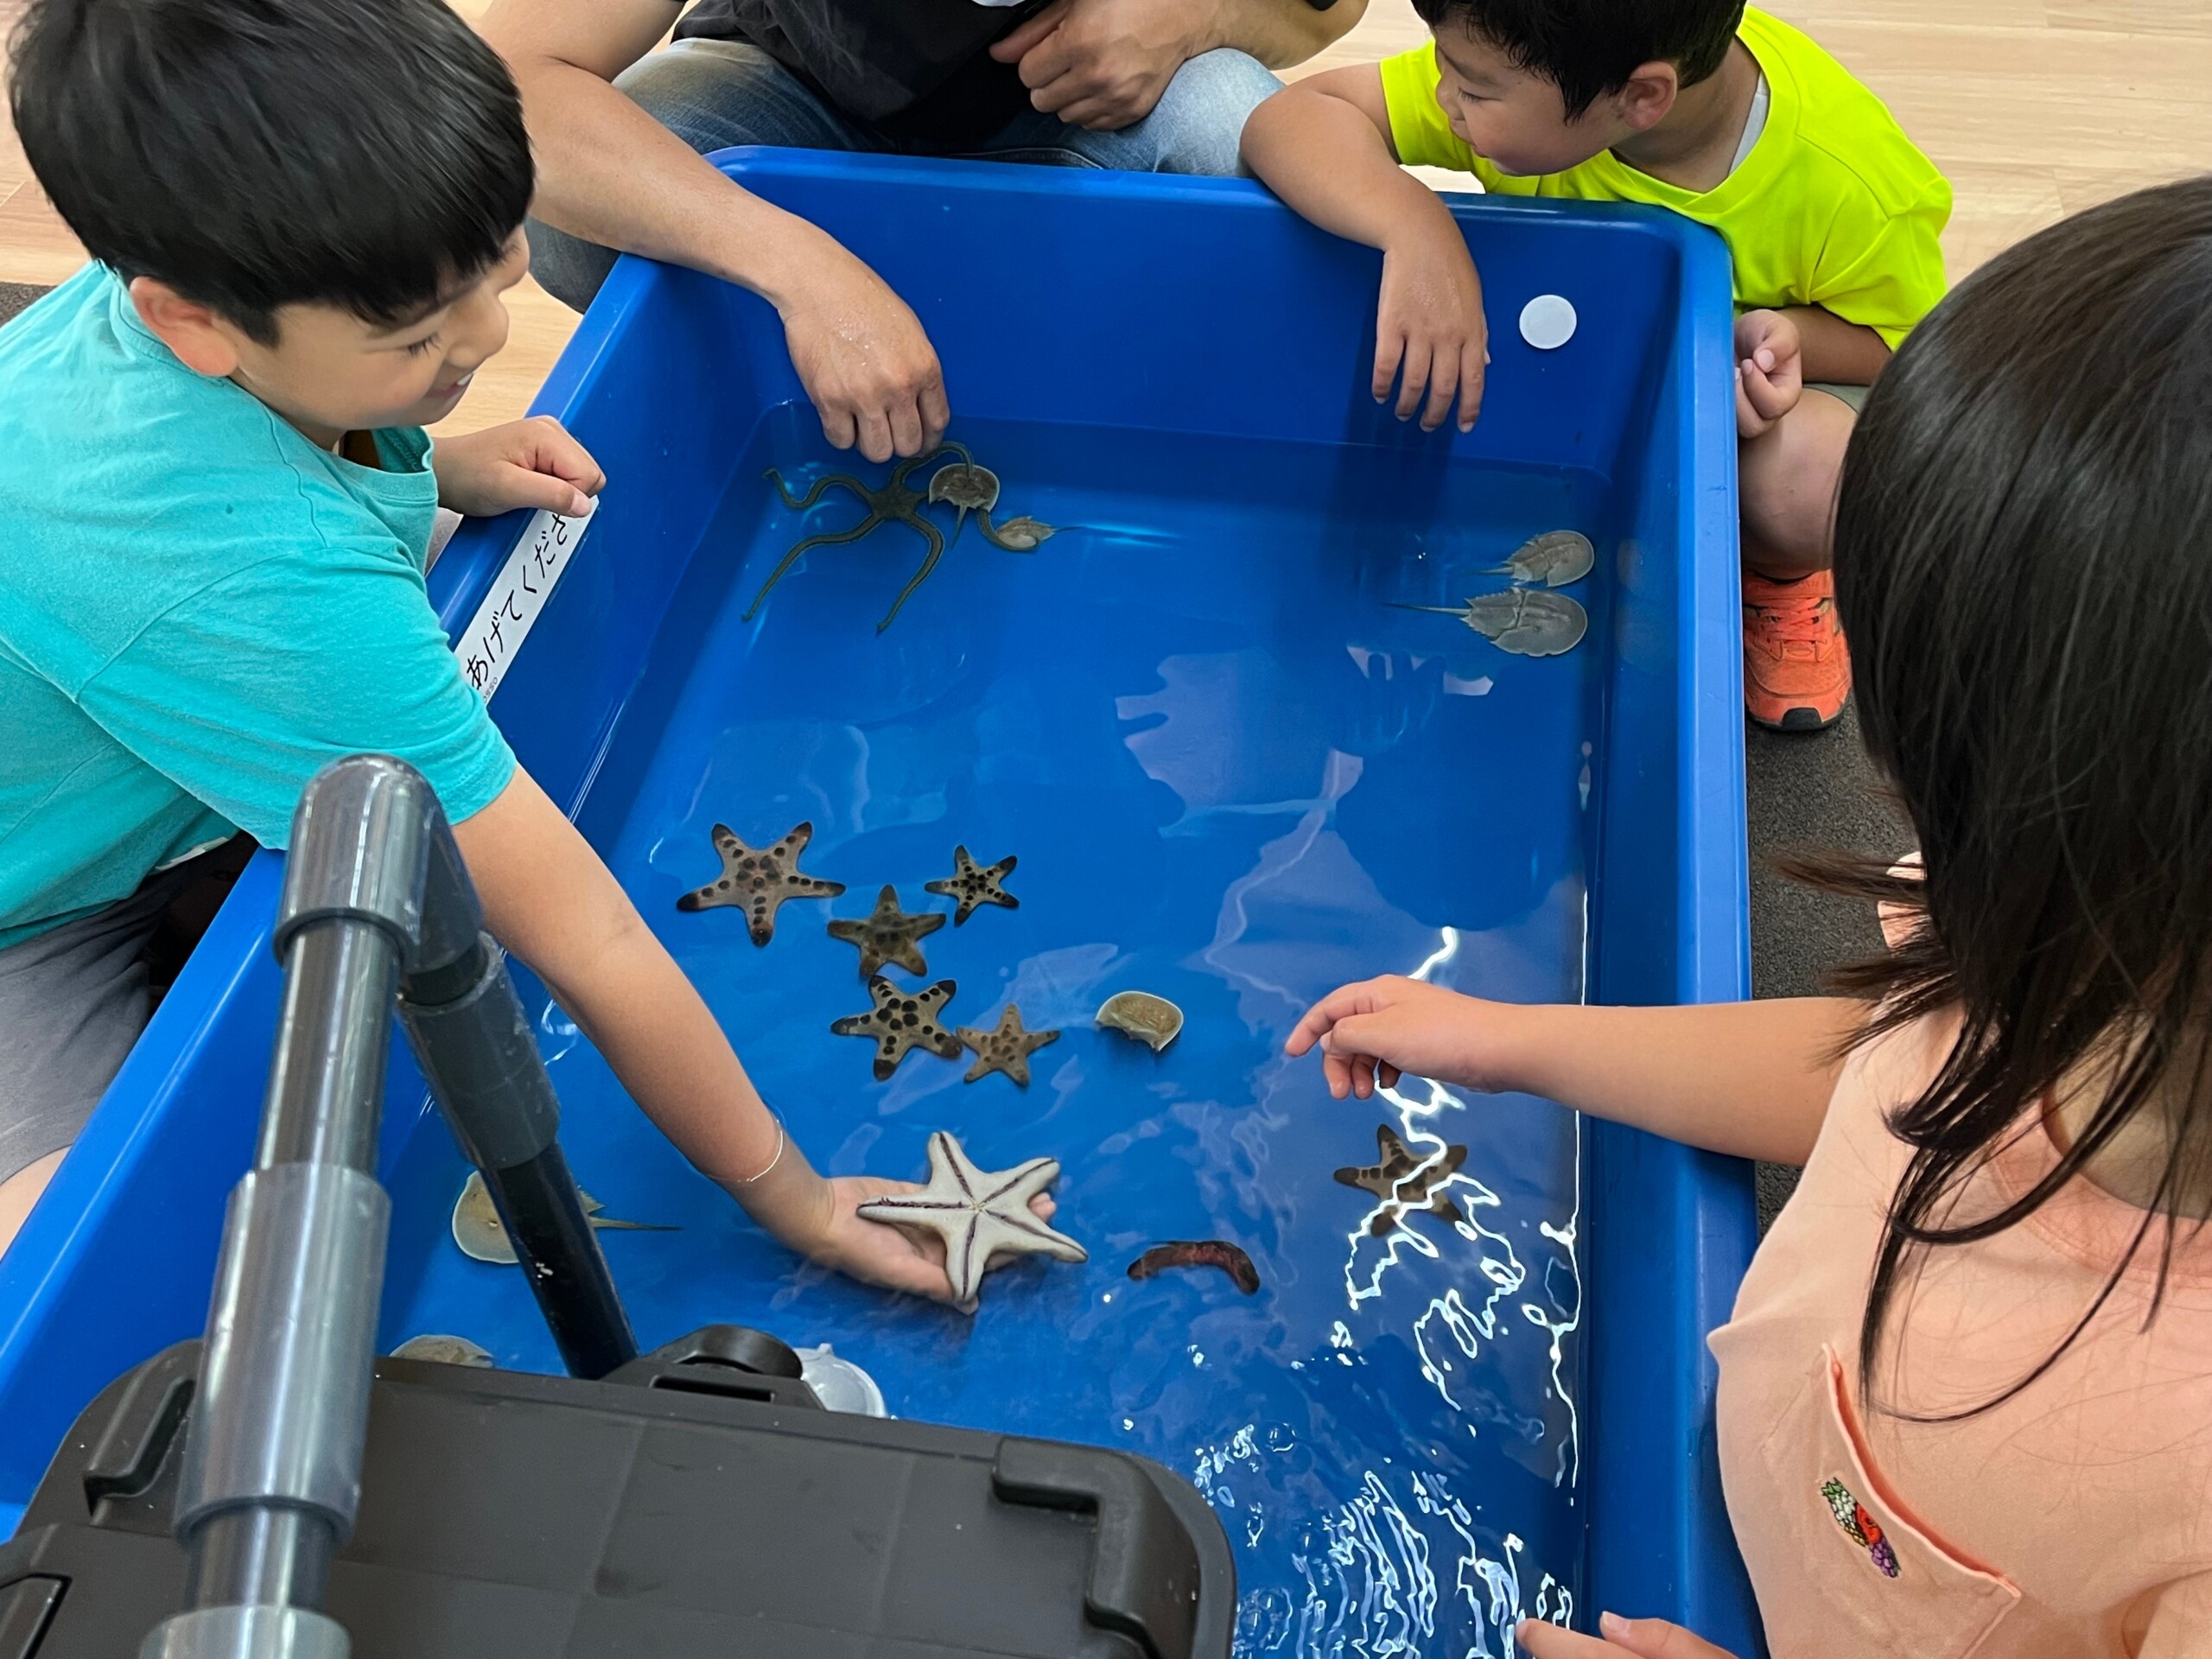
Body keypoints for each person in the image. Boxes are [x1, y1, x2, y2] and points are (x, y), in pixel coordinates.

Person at [1287, 176, 2212, 1656]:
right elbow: (1883, 1079)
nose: (1890, 795)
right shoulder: (2055, 963)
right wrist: (1512, 1039)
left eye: (1934, 775)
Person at [0, 0, 1046, 1295]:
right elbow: (586, 936)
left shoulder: (165, 293)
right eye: (417, 340)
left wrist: (431, 460)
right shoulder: (257, 590)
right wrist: (799, 1196)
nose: (491, 342)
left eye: (493, 271)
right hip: (28, 912)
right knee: (86, 1272)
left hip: (112, 771)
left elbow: (233, 474)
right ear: (190, 318)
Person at [1241, 0, 1950, 731]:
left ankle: (1777, 575)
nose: (1446, 100)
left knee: (1810, 477)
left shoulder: (1854, 186)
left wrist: (1764, 338)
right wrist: (1415, 225)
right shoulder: (1526, 45)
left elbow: (1911, 346)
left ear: (1642, 97)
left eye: (1475, 91)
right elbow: (1289, 118)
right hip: (1579, 380)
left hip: (1742, 405)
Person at [486, 0, 1367, 467]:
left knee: (1244, 137)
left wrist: (1195, 12)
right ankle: (753, 389)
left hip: (1084, 107)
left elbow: (1329, 6)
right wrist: (799, 266)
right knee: (572, 212)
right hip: (793, 86)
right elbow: (515, 87)